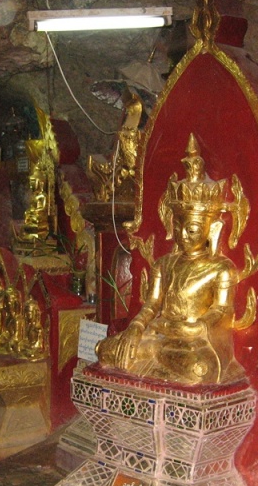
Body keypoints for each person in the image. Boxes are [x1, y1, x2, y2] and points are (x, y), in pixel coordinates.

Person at [96, 135, 242, 385]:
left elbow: (222, 310)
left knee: (199, 369)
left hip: (193, 341)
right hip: (160, 333)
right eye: (179, 227)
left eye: (193, 229)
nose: (184, 235)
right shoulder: (164, 264)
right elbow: (152, 304)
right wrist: (135, 327)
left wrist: (198, 326)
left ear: (212, 228)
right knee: (104, 349)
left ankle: (153, 357)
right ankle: (154, 355)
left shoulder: (221, 269)